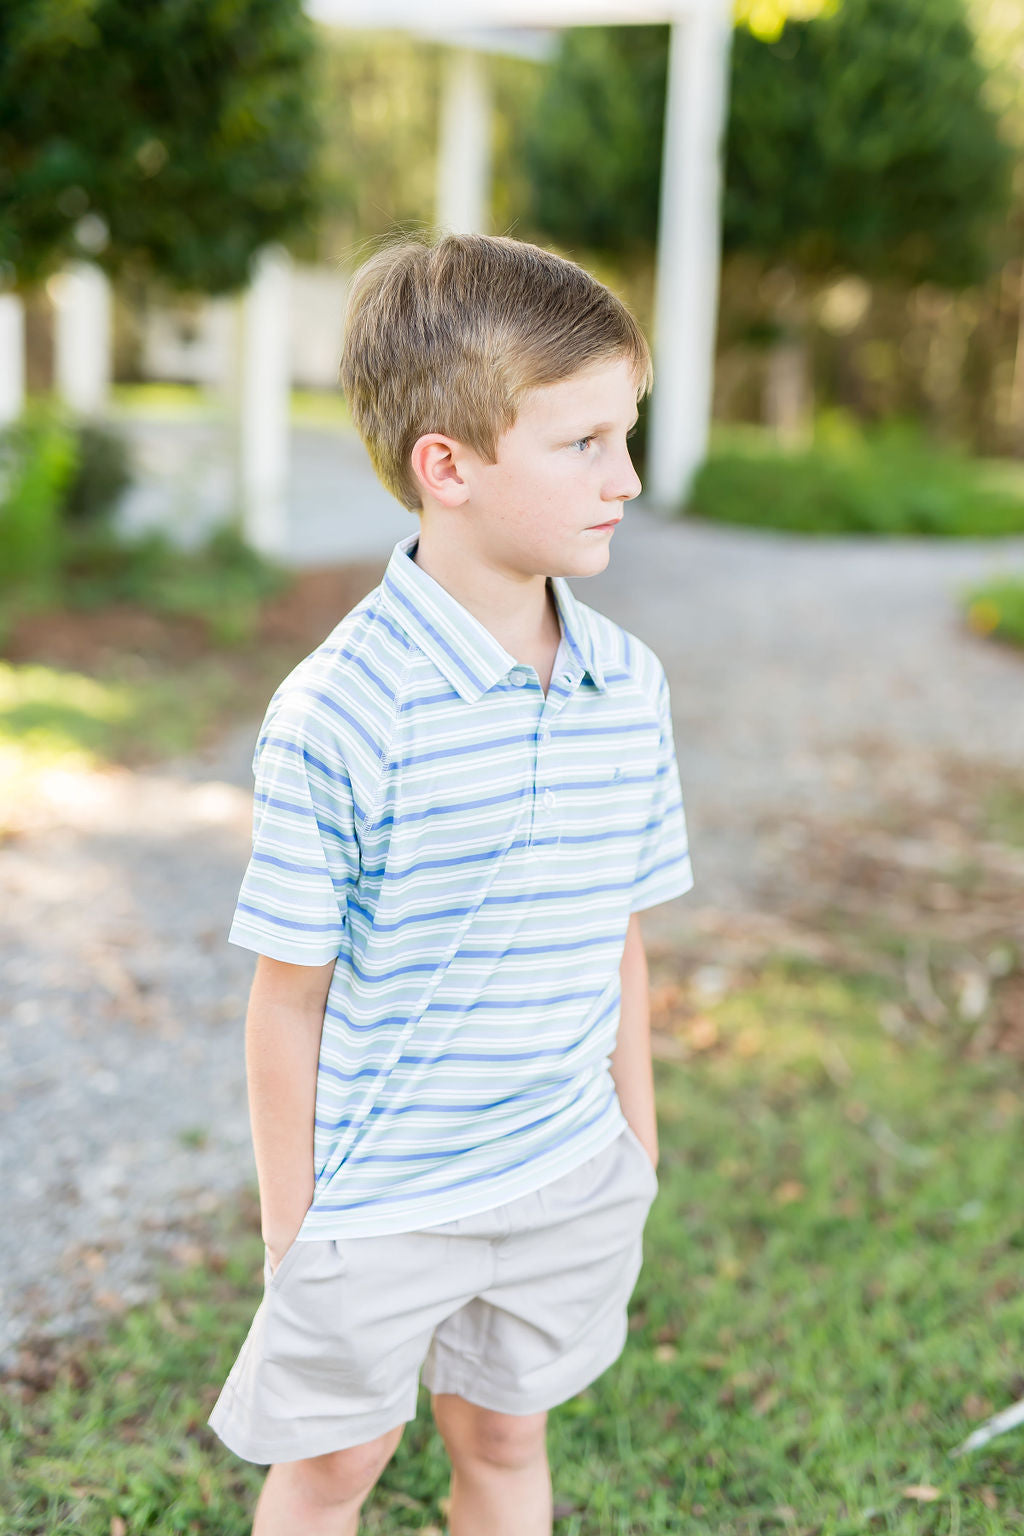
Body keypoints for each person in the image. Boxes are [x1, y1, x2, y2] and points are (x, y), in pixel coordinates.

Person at [207, 231, 695, 1536]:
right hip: (381, 1203)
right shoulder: (338, 713)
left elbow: (620, 939)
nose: (628, 478)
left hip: (565, 1170)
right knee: (336, 1468)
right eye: (584, 443)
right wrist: (296, 1240)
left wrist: (632, 1152)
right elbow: (288, 1002)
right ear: (451, 468)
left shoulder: (626, 688)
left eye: (626, 434)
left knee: (502, 1435)